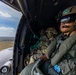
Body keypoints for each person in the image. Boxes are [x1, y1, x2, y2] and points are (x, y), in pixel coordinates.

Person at [20, 5, 76, 75]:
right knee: (27, 70)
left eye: (66, 19)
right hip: (50, 65)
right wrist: (43, 58)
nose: (62, 23)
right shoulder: (62, 37)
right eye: (61, 21)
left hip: (61, 70)